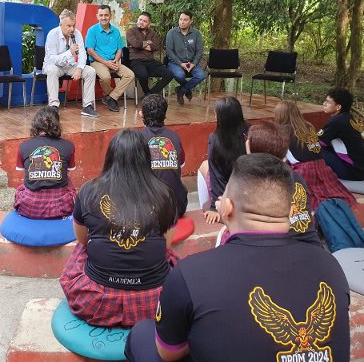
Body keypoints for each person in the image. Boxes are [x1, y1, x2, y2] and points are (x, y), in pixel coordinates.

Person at [125, 154, 351, 362]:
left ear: (228, 208)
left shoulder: (192, 273)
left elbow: (168, 353)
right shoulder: (330, 265)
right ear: (292, 213)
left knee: (142, 334)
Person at [59, 129, 178, 328]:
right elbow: (166, 243)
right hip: (154, 301)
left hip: (98, 301)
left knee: (83, 248)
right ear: (145, 158)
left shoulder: (89, 191)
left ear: (110, 157)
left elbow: (81, 239)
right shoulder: (164, 194)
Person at [245, 121, 321, 246]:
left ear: (254, 148)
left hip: (280, 250)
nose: (246, 141)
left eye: (248, 138)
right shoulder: (296, 177)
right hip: (312, 247)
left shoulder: (250, 181)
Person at [274, 100, 357, 210]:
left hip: (304, 171)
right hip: (323, 168)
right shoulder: (308, 126)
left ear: (280, 115)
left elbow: (282, 158)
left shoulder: (282, 131)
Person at [14, 106, 77, 219]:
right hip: (61, 207)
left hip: (29, 207)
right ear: (57, 124)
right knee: (69, 182)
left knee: (23, 186)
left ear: (36, 124)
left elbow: (24, 172)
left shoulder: (23, 146)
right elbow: (66, 172)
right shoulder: (69, 146)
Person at [197, 96, 248, 224]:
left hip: (230, 189)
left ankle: (204, 205)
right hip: (249, 189)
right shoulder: (250, 132)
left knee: (204, 166)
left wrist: (215, 206)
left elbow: (216, 174)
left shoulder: (215, 139)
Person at [44, 9, 98, 118]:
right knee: (52, 70)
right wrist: (69, 53)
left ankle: (87, 106)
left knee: (90, 71)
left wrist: (79, 69)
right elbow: (52, 59)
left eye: (73, 25)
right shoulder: (52, 34)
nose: (72, 29)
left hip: (70, 65)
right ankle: (53, 106)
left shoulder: (77, 34)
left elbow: (82, 54)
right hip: (54, 65)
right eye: (68, 26)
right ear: (61, 24)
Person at [140, 94, 188, 217]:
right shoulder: (175, 137)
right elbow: (180, 166)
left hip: (149, 211)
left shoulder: (137, 139)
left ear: (141, 114)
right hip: (177, 206)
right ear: (165, 115)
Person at [318, 88, 364, 181]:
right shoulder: (349, 117)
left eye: (328, 102)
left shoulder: (337, 121)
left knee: (314, 150)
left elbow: (315, 143)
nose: (324, 104)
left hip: (355, 173)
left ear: (338, 107)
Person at [86, 5, 135, 112]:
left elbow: (119, 49)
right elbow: (90, 50)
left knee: (129, 75)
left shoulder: (116, 31)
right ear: (97, 16)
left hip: (113, 61)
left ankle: (111, 97)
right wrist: (105, 62)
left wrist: (116, 60)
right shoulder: (92, 30)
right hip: (98, 62)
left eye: (106, 15)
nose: (104, 18)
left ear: (110, 16)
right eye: (101, 15)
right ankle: (110, 97)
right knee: (105, 77)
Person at [126, 12, 173, 96]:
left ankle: (151, 93)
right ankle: (147, 92)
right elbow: (136, 44)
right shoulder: (131, 31)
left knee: (169, 75)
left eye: (144, 21)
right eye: (140, 20)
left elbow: (156, 47)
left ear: (149, 24)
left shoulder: (152, 33)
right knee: (143, 75)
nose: (141, 22)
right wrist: (148, 42)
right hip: (136, 61)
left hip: (150, 60)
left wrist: (140, 45)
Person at [165, 11, 205, 105]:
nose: (182, 22)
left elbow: (199, 51)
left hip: (191, 62)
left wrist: (193, 63)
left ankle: (182, 89)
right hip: (175, 63)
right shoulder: (171, 33)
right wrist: (180, 64)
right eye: (180, 19)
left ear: (191, 21)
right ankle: (187, 90)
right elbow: (169, 52)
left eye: (185, 20)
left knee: (201, 75)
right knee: (180, 75)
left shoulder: (196, 33)